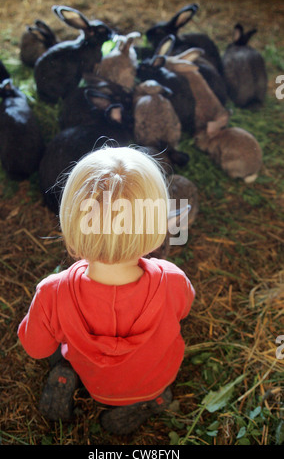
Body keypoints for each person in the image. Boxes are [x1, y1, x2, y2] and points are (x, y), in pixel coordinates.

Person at [18, 146, 195, 435]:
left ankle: (67, 376)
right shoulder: (173, 279)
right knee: (155, 378)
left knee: (58, 348)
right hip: (156, 377)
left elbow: (35, 348)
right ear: (156, 227)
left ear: (71, 221)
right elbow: (184, 308)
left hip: (95, 383)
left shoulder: (52, 292)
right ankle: (152, 401)